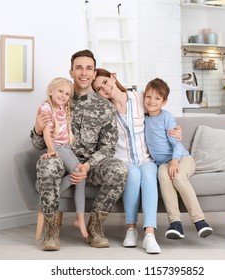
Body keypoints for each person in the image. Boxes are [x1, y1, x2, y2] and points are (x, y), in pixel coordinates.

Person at [31, 50, 128, 250]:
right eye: (79, 68)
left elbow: (108, 147)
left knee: (119, 169)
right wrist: (37, 130)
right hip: (61, 161)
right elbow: (38, 145)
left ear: (94, 74)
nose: (83, 73)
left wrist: (87, 166)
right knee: (47, 164)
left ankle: (96, 226)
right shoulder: (59, 98)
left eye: (88, 68)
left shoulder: (105, 107)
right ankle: (51, 232)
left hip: (90, 167)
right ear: (71, 71)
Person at [92, 69, 182, 254]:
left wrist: (176, 131)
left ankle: (150, 234)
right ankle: (131, 230)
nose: (105, 89)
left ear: (113, 78)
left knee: (149, 175)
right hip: (122, 160)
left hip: (145, 158)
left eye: (106, 82)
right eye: (99, 89)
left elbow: (160, 114)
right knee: (132, 175)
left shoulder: (140, 98)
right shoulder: (104, 112)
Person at [143, 78, 213, 240]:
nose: (152, 101)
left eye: (157, 98)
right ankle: (175, 224)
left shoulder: (166, 118)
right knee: (164, 177)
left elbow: (176, 142)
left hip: (182, 158)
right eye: (148, 96)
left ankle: (199, 221)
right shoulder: (143, 118)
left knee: (179, 178)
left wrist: (174, 160)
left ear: (164, 101)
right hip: (162, 164)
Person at [36, 77, 87, 251]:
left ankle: (44, 189)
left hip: (66, 147)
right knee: (80, 173)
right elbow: (46, 134)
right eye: (60, 91)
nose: (64, 96)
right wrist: (52, 150)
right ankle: (79, 218)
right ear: (50, 91)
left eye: (67, 93)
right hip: (58, 148)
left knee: (80, 175)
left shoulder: (64, 107)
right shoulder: (46, 108)